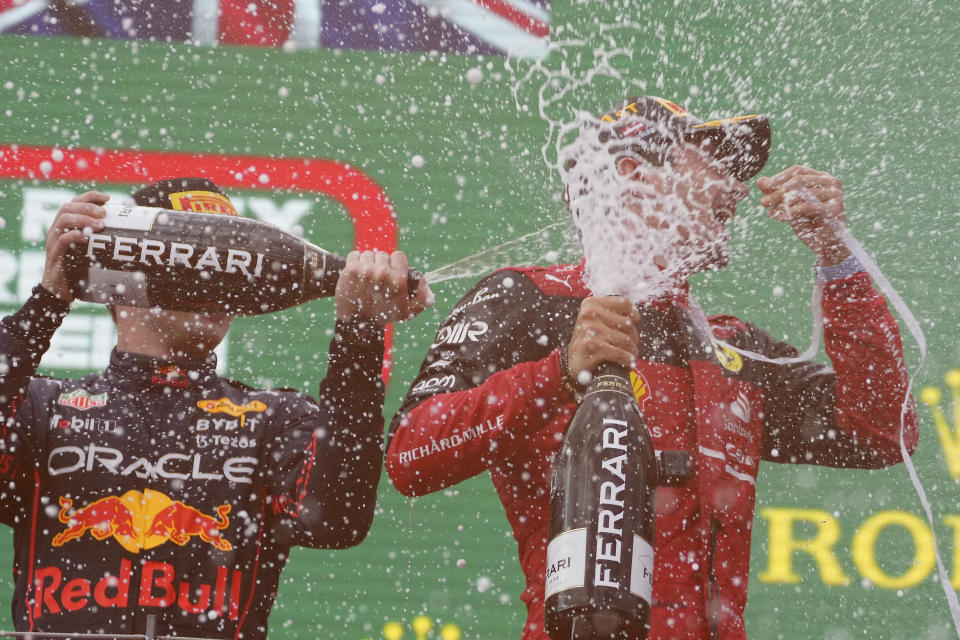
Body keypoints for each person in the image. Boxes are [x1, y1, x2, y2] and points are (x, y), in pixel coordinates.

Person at [385, 96, 918, 640]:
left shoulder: (732, 346)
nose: (736, 189)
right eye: (716, 164)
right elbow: (410, 456)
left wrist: (837, 256)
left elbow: (883, 433)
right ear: (633, 174)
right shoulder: (527, 300)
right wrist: (556, 375)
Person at [0, 178, 432, 638]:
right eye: (197, 254)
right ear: (122, 267)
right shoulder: (43, 409)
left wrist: (359, 335)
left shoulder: (273, 419)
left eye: (234, 262)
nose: (218, 276)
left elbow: (335, 520)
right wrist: (47, 301)